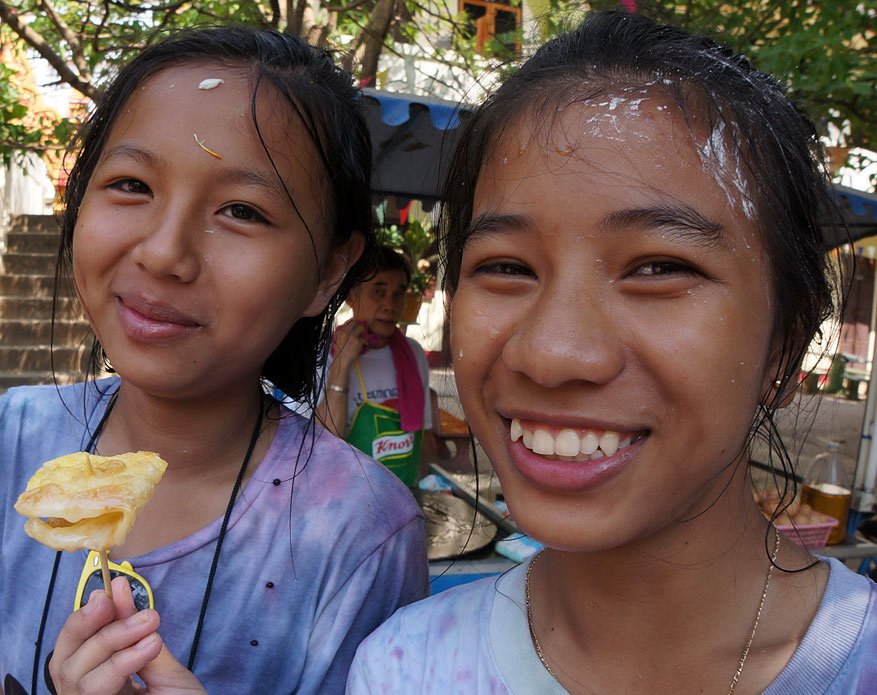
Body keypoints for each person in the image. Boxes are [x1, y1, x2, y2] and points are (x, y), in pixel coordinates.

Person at [347, 10, 877, 694]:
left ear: (786, 341)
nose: (551, 354)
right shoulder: (402, 670)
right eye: (506, 266)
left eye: (657, 267)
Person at [0, 27, 428, 695]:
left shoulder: (361, 533)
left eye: (241, 210)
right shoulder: (8, 442)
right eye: (132, 184)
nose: (164, 253)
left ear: (328, 270)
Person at [316, 246, 437, 487]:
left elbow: (423, 436)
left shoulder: (412, 354)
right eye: (378, 292)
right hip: (349, 500)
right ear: (351, 296)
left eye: (398, 293)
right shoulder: (325, 355)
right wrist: (341, 365)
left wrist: (424, 489)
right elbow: (322, 445)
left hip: (404, 495)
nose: (389, 305)